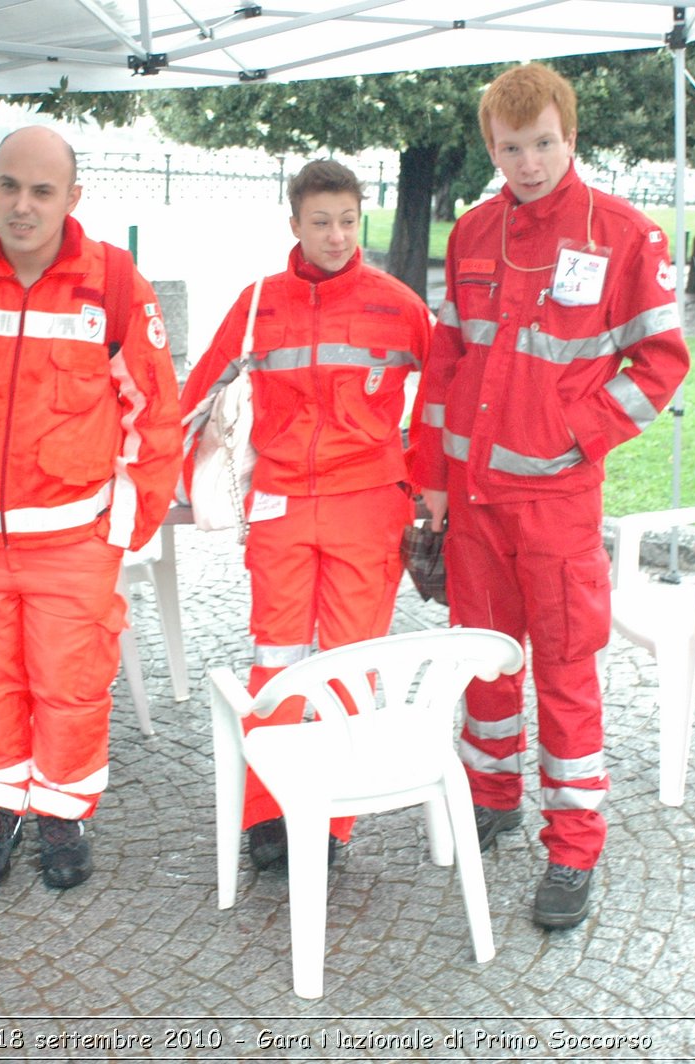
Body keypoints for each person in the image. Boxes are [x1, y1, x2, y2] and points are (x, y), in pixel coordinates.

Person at [411, 63, 690, 929]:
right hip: (475, 504)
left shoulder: (626, 236)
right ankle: (492, 798)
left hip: (558, 508)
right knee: (484, 667)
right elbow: (446, 360)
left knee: (567, 677)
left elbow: (663, 365)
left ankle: (573, 849)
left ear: (571, 137)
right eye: (509, 147)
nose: (526, 162)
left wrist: (576, 433)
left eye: (542, 144)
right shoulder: (471, 232)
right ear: (491, 147)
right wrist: (431, 479)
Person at [0, 127, 183, 891]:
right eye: (8, 186)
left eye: (42, 191)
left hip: (71, 541)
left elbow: (153, 415)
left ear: (72, 198)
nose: (23, 205)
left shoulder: (114, 285)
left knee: (71, 684)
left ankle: (61, 814)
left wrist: (123, 528)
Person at [180, 159, 432, 871]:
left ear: (363, 219)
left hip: (368, 509)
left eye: (348, 221)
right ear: (293, 224)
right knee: (278, 664)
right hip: (282, 507)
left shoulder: (397, 304)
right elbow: (198, 394)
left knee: (351, 669)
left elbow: (445, 395)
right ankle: (269, 812)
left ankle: (333, 819)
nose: (336, 235)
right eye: (320, 222)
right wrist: (154, 475)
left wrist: (425, 484)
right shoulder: (259, 302)